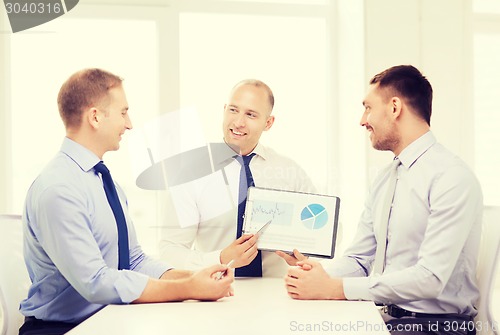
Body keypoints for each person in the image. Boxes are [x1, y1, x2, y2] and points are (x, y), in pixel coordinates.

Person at [19, 68, 233, 335]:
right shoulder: (58, 189)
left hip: (107, 321)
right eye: (123, 112)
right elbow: (96, 282)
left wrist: (194, 277)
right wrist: (187, 289)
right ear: (95, 117)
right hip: (63, 329)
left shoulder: (103, 181)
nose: (129, 124)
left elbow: (133, 260)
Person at [282, 65, 482, 335]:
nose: (362, 120)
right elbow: (359, 260)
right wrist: (317, 271)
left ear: (395, 107)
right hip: (389, 318)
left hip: (437, 327)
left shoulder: (451, 177)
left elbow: (430, 278)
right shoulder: (386, 178)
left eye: (367, 108)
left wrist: (335, 288)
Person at [159, 79, 316, 277]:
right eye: (233, 110)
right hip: (213, 296)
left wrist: (305, 256)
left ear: (268, 123)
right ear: (224, 110)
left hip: (279, 296)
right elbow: (170, 251)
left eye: (250, 114)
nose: (238, 122)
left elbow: (322, 233)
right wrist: (221, 259)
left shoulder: (289, 171)